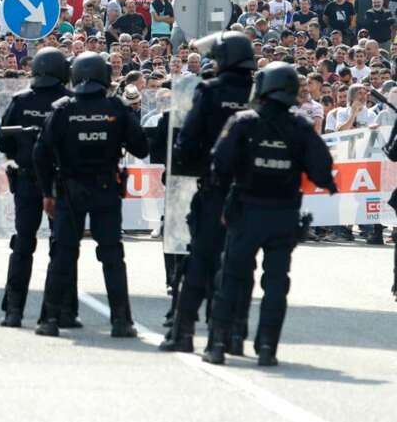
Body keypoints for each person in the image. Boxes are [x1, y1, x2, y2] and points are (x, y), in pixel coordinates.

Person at [202, 62, 337, 367]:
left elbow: (218, 165)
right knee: (276, 283)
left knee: (231, 280)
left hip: (246, 211)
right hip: (283, 214)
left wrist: (221, 195)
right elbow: (322, 170)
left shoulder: (243, 121)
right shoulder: (300, 126)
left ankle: (218, 344)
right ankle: (267, 348)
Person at [33, 52, 149, 338]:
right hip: (106, 189)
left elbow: (40, 153)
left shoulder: (62, 109)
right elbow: (142, 148)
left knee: (62, 254)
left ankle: (49, 319)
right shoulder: (116, 107)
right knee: (111, 255)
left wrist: (47, 192)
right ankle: (122, 321)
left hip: (69, 190)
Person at [159, 32, 255, 355]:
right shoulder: (259, 92)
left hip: (214, 189)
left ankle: (182, 333)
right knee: (241, 266)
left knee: (200, 261)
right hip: (250, 193)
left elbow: (186, 140)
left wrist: (194, 164)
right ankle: (232, 336)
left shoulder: (211, 91)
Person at [0, 48, 74, 327]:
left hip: (28, 180)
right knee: (62, 245)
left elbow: (2, 143)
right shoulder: (69, 102)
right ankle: (61, 311)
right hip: (62, 182)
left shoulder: (20, 101)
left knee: (23, 243)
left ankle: (13, 310)